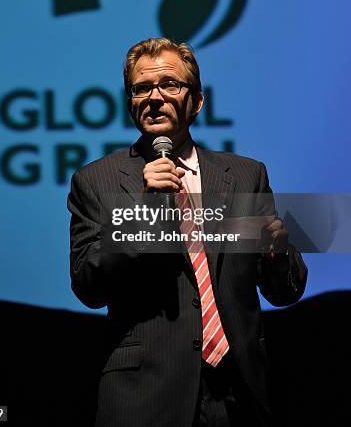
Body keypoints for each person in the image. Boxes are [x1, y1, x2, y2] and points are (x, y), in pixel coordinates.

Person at [68, 37, 307, 426]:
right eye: (141, 88)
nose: (154, 97)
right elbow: (88, 286)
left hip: (239, 393)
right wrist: (145, 211)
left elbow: (285, 291)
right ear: (130, 103)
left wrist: (276, 252)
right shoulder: (95, 180)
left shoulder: (246, 175)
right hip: (147, 395)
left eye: (170, 85)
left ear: (196, 101)